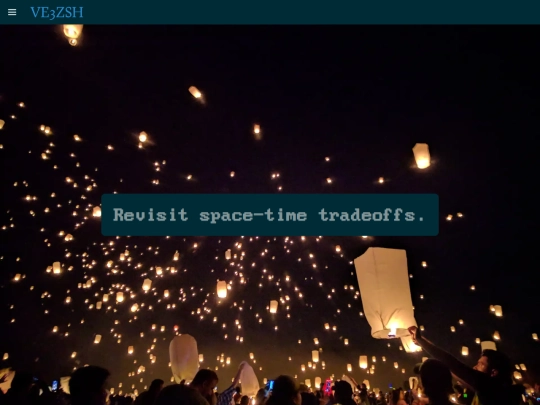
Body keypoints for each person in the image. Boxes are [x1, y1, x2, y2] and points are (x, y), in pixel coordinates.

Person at [409, 326, 523, 405]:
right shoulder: (492, 391)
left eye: (481, 364)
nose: (474, 367)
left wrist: (421, 341)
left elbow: (452, 364)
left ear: (493, 372)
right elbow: (453, 369)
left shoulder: (494, 389)